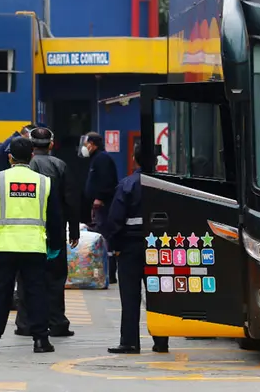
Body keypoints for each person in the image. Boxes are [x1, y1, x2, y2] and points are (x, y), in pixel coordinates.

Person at [0, 136, 63, 354]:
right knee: (36, 293)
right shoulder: (44, 182)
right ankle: (41, 341)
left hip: (4, 247)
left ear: (9, 157)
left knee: (0, 294)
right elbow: (55, 219)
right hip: (34, 248)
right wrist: (55, 247)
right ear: (31, 156)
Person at [101, 142, 169, 354]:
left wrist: (115, 247)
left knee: (130, 297)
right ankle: (161, 341)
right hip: (158, 248)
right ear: (157, 161)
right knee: (157, 295)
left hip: (130, 248)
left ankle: (130, 342)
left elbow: (115, 220)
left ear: (134, 159)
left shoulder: (127, 184)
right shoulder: (164, 186)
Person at [14, 127, 80, 338]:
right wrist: (74, 230)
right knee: (55, 278)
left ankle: (25, 323)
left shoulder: (23, 169)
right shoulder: (60, 166)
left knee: (26, 278)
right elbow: (71, 201)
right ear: (51, 144)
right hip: (55, 231)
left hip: (26, 232)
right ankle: (57, 323)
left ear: (31, 145)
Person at [82, 131, 119, 283]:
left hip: (104, 205)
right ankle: (106, 271)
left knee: (105, 237)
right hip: (98, 205)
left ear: (92, 144)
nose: (85, 147)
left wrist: (99, 198)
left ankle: (109, 272)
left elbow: (107, 181)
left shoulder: (102, 159)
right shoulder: (96, 159)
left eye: (86, 144)